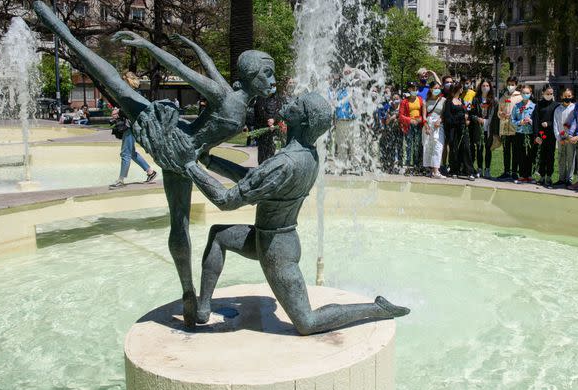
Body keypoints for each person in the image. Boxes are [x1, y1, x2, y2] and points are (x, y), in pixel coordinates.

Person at [34, 1, 276, 328]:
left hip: (182, 152)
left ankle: (190, 294)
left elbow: (206, 65)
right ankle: (59, 29)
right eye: (268, 74)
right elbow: (184, 67)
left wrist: (193, 46)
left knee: (179, 223)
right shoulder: (229, 99)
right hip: (176, 143)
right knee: (117, 85)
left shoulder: (233, 98)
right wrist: (148, 45)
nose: (272, 81)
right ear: (251, 78)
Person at [142, 93, 409, 333]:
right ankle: (203, 307)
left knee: (307, 323)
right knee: (219, 236)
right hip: (267, 237)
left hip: (276, 251)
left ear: (302, 121)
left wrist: (188, 165)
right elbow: (254, 178)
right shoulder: (305, 155)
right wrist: (209, 161)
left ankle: (378, 309)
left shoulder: (286, 162)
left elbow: (225, 200)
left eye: (297, 104)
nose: (289, 102)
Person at [109, 100, 157, 189]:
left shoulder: (128, 95)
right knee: (131, 153)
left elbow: (132, 109)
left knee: (125, 153)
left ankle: (121, 180)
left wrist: (119, 111)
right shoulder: (126, 94)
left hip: (130, 127)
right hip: (130, 127)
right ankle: (150, 172)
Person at [443, 83, 475, 179]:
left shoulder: (461, 101)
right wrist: (461, 116)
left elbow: (466, 113)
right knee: (454, 150)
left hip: (462, 129)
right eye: (461, 88)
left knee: (466, 148)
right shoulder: (449, 102)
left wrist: (467, 118)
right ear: (457, 89)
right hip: (453, 130)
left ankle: (469, 171)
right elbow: (448, 118)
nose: (462, 90)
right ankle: (454, 170)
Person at [533, 84, 558, 188]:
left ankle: (549, 177)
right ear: (543, 93)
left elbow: (557, 120)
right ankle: (542, 176)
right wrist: (536, 135)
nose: (549, 95)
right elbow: (535, 121)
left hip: (551, 135)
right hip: (541, 135)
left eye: (551, 94)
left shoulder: (556, 105)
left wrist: (549, 123)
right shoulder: (538, 105)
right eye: (547, 93)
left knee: (550, 156)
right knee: (541, 156)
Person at [497, 77, 521, 180]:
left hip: (515, 128)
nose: (510, 86)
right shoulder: (503, 97)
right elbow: (499, 112)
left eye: (512, 84)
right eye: (509, 84)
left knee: (515, 151)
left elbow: (522, 112)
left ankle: (515, 172)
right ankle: (506, 171)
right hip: (505, 128)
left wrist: (513, 115)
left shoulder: (519, 97)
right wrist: (501, 114)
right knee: (506, 151)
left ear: (516, 85)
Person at [471, 79, 496, 178]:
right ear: (480, 87)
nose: (485, 87)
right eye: (483, 86)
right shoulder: (476, 99)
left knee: (488, 149)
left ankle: (487, 170)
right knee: (479, 149)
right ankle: (480, 169)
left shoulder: (494, 100)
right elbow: (471, 114)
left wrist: (487, 121)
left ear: (490, 87)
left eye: (487, 86)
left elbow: (495, 116)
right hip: (479, 128)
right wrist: (477, 118)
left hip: (489, 129)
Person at [511, 85, 536, 184]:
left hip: (530, 133)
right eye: (523, 93)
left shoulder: (534, 106)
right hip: (520, 133)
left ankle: (529, 175)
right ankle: (522, 175)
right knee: (520, 155)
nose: (525, 95)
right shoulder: (517, 106)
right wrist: (520, 122)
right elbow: (512, 120)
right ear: (521, 94)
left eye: (527, 93)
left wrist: (530, 121)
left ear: (531, 94)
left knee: (530, 155)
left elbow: (537, 121)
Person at [399, 82, 425, 175]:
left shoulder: (420, 100)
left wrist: (420, 120)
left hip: (418, 125)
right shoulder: (404, 101)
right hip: (409, 125)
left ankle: (417, 165)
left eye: (416, 88)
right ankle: (407, 165)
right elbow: (401, 116)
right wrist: (410, 120)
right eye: (413, 88)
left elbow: (424, 113)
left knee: (418, 145)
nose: (415, 90)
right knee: (409, 145)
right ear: (409, 89)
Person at [553, 88, 576, 187]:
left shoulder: (575, 108)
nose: (567, 98)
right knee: (561, 158)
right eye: (565, 96)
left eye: (569, 96)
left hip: (570, 138)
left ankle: (569, 179)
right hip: (561, 138)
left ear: (572, 96)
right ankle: (561, 178)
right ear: (562, 97)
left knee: (571, 158)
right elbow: (555, 124)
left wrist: (571, 133)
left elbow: (577, 121)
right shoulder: (558, 109)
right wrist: (559, 138)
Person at [254, 89, 284, 165]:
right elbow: (259, 110)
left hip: (274, 129)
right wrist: (268, 120)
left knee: (272, 149)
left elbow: (280, 111)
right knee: (262, 149)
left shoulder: (278, 98)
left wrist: (274, 120)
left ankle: (269, 167)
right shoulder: (260, 97)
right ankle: (261, 167)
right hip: (263, 128)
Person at [423, 82, 446, 178]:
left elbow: (444, 114)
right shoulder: (426, 101)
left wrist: (440, 120)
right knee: (429, 147)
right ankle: (432, 170)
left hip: (439, 125)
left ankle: (436, 170)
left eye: (438, 88)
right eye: (435, 88)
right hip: (429, 125)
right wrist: (426, 126)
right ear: (431, 89)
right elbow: (424, 116)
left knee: (438, 146)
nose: (437, 89)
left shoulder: (443, 100)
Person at [380, 92, 403, 173]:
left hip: (400, 131)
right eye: (394, 99)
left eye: (397, 99)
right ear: (391, 100)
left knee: (400, 148)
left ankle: (399, 166)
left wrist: (396, 117)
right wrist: (390, 118)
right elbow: (386, 121)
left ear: (400, 99)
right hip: (390, 131)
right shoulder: (388, 108)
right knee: (391, 148)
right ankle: (391, 165)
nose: (396, 100)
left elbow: (404, 117)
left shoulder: (402, 108)